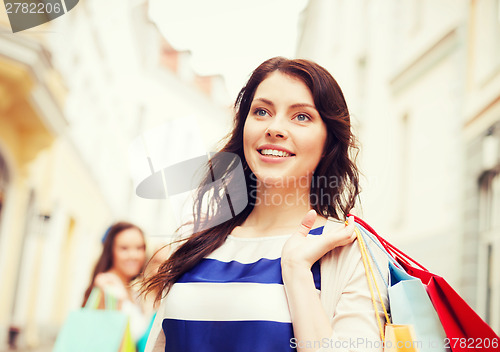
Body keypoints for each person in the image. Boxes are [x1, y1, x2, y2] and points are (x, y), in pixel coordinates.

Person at [143, 57, 389, 352]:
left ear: (328, 142)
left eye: (301, 117)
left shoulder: (348, 251)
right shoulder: (201, 243)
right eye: (261, 111)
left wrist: (297, 270)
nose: (275, 128)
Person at [82, 221, 150, 346]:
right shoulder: (106, 286)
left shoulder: (132, 292)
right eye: (124, 248)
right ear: (111, 252)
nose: (133, 255)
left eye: (139, 248)